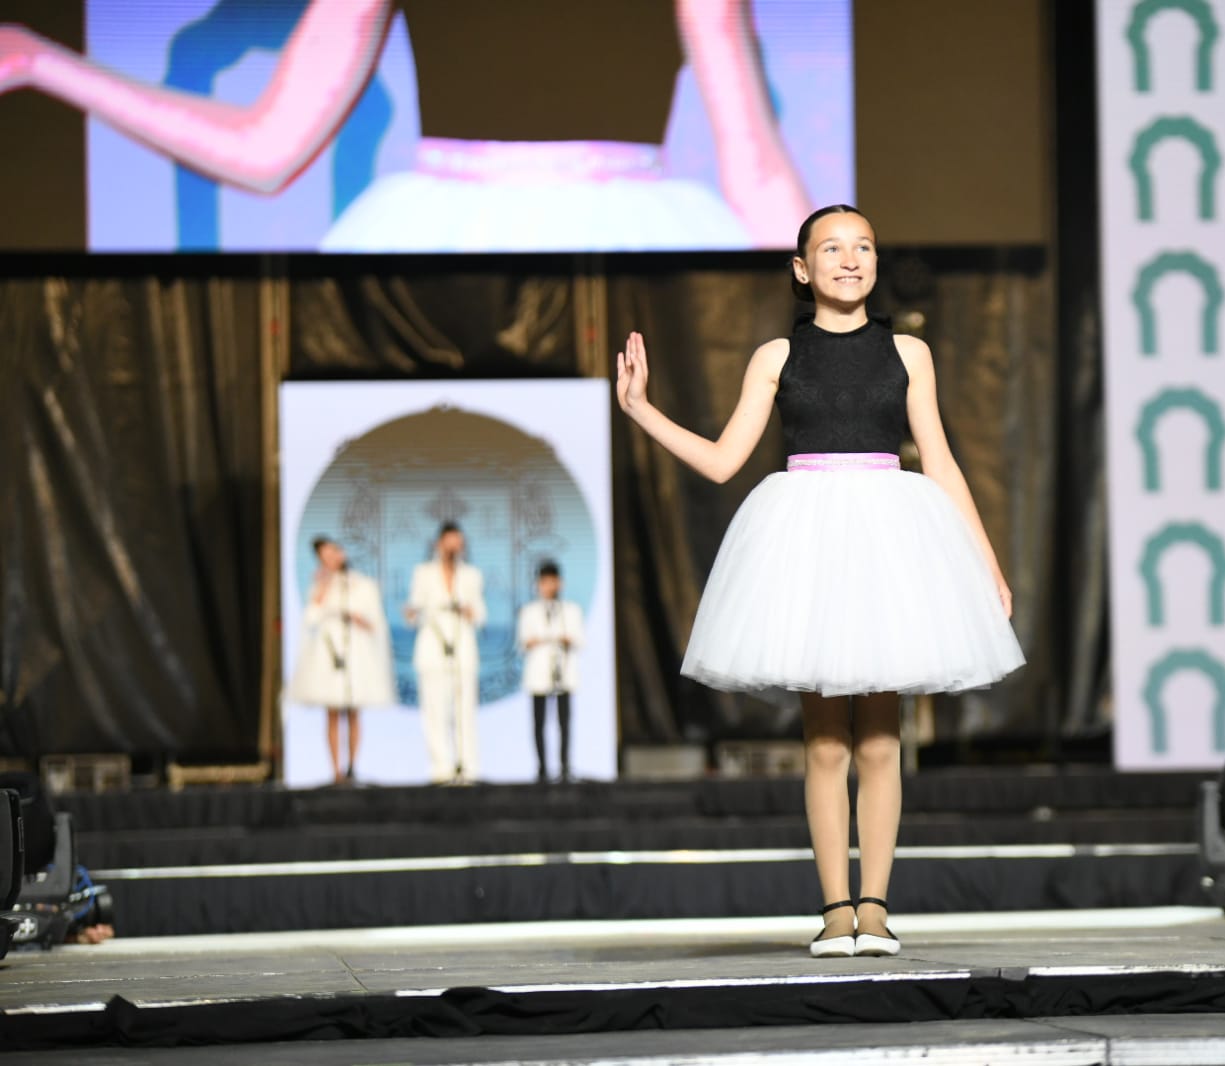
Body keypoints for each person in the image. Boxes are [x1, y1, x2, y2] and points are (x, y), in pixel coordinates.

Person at [615, 204, 1025, 958]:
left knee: (880, 739)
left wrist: (985, 563)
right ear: (801, 269)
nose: (849, 258)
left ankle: (876, 909)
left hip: (887, 539)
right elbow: (721, 460)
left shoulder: (909, 352)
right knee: (825, 743)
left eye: (863, 245)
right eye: (830, 248)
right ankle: (835, 909)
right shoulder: (777, 355)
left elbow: (937, 458)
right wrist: (640, 409)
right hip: (806, 542)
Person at [0, 0, 811, 250]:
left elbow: (760, 175)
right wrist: (41, 63)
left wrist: (836, 325)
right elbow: (267, 147)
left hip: (636, 239)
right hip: (442, 242)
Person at [287, 537, 396, 786]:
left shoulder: (362, 584)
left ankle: (352, 767)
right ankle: (335, 770)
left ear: (342, 553)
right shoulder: (319, 586)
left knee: (354, 711)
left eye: (332, 554)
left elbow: (376, 623)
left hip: (355, 651)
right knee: (333, 712)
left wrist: (357, 618)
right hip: (328, 652)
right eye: (323, 557)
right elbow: (311, 619)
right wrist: (323, 586)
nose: (330, 560)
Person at [405, 522, 486, 784]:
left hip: (462, 643)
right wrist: (413, 613)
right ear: (439, 543)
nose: (454, 547)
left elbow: (481, 614)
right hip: (433, 643)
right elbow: (414, 610)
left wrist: (469, 611)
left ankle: (467, 766)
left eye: (458, 543)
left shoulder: (471, 575)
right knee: (434, 709)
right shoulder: (423, 573)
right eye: (449, 542)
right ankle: (440, 767)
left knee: (464, 710)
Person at [517, 561, 585, 784]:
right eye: (543, 582)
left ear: (559, 583)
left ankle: (564, 766)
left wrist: (563, 639)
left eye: (551, 582)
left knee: (564, 722)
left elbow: (580, 639)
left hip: (562, 671)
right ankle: (542, 768)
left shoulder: (570, 610)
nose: (548, 586)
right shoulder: (529, 611)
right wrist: (542, 639)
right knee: (539, 722)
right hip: (539, 673)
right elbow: (522, 643)